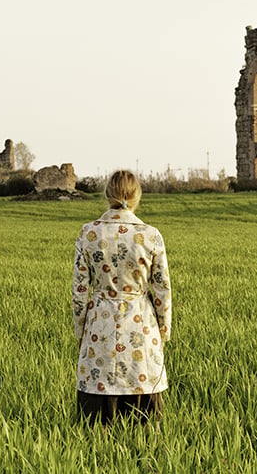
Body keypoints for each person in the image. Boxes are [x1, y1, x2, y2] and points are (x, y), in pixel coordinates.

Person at [71, 169, 172, 425]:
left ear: (107, 195)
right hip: (141, 328)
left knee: (94, 427)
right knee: (143, 425)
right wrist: (163, 330)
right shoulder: (151, 235)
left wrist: (80, 330)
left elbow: (80, 291)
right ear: (137, 196)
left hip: (99, 329)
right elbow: (162, 290)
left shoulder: (88, 233)